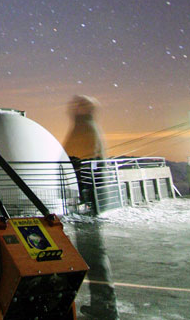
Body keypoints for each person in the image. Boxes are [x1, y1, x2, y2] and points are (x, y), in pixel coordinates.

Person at [63, 95, 119, 319]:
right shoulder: (88, 129)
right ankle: (103, 303)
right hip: (89, 204)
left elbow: (80, 164)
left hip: (88, 205)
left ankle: (105, 305)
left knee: (92, 254)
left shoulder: (85, 131)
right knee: (91, 254)